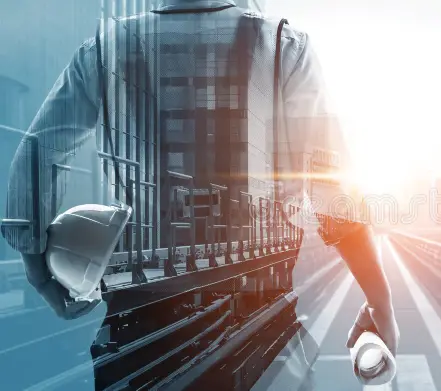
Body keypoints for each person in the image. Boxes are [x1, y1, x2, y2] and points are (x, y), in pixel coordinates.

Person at [1, 1, 398, 389]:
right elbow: (334, 193)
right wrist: (380, 302)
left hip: (137, 340)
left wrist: (40, 268)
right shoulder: (283, 47)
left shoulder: (107, 48)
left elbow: (38, 153)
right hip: (261, 330)